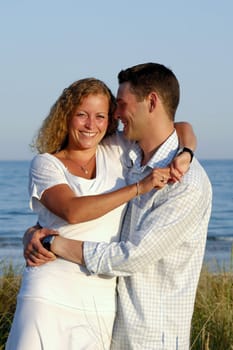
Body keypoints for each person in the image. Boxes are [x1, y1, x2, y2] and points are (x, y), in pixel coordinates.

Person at [24, 63, 212, 349]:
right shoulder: (133, 157)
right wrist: (33, 233)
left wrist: (54, 243)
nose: (116, 116)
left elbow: (131, 255)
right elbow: (72, 209)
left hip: (148, 332)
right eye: (82, 115)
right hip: (96, 313)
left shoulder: (181, 180)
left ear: (150, 102)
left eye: (117, 107)